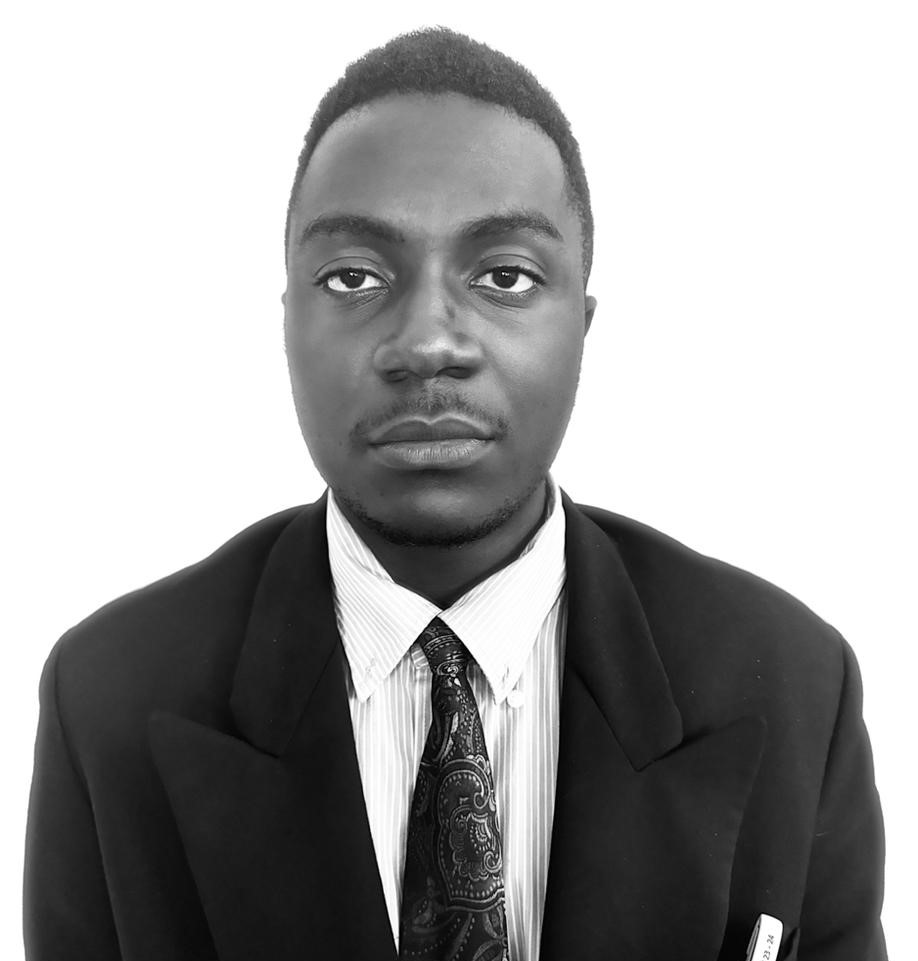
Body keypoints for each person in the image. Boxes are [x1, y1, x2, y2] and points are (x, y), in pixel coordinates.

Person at [23, 27, 885, 961]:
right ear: (287, 321)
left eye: (505, 276)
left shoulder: (793, 683)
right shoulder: (108, 698)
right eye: (354, 276)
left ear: (582, 322)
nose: (428, 342)